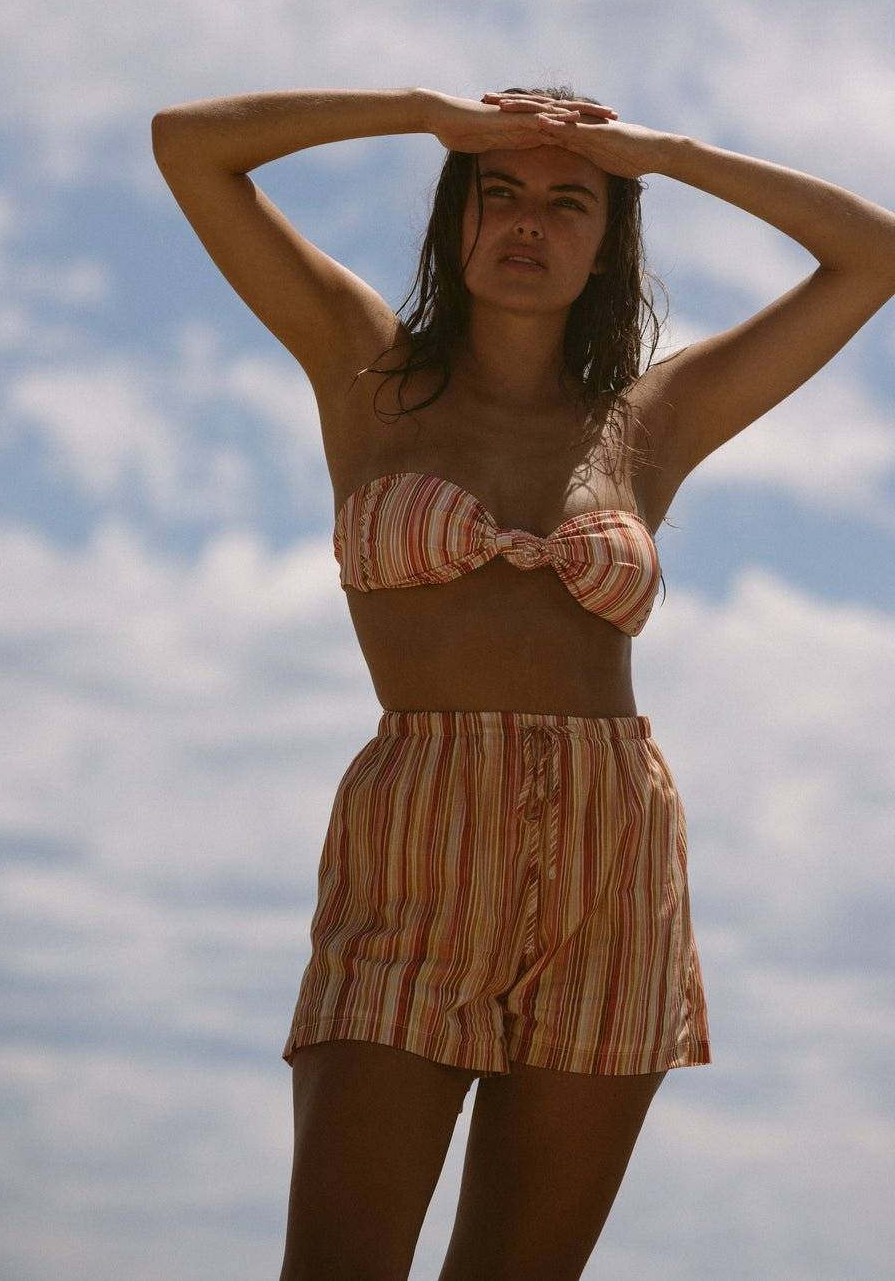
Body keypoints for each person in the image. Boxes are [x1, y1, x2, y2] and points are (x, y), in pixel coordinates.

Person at [151, 85, 895, 1281]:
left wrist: (666, 153)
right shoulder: (366, 371)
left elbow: (872, 257)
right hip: (415, 844)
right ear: (456, 219)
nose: (528, 223)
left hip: (613, 860)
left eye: (568, 203)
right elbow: (188, 150)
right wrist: (420, 113)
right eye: (499, 194)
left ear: (608, 246)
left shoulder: (650, 421)